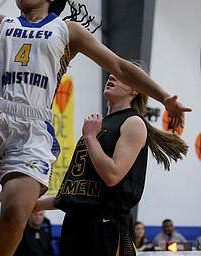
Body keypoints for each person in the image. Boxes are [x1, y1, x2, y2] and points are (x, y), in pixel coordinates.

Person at [0, 0, 191, 255]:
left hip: (32, 130)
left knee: (14, 217)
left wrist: (164, 97)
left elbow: (121, 66)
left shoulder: (67, 31)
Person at [33, 61, 189, 255]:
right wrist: (34, 204)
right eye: (112, 73)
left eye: (121, 76)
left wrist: (90, 137)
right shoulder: (101, 124)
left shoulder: (132, 123)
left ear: (135, 89)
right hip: (75, 222)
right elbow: (81, 192)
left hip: (106, 226)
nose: (112, 76)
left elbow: (112, 175)